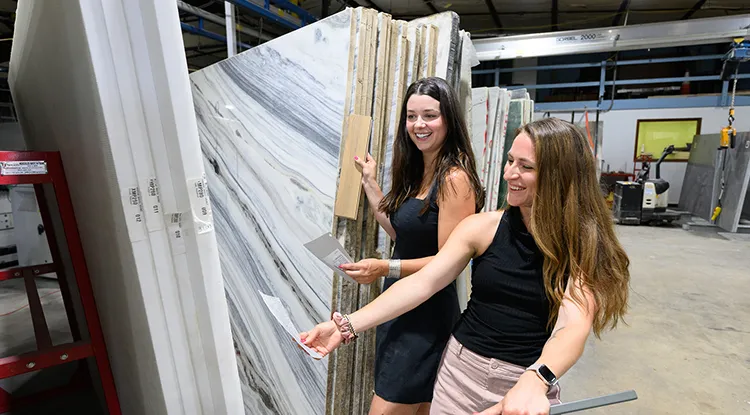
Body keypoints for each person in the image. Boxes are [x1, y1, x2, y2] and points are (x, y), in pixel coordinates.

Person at [301, 117, 631, 415]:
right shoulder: (482, 228)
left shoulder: (582, 245)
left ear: (559, 176)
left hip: (525, 380)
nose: (509, 173)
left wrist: (537, 378)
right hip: (459, 372)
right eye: (510, 160)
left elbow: (573, 326)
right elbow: (423, 283)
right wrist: (346, 325)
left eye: (525, 166)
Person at [337, 76, 485, 415]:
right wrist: (370, 183)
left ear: (448, 118)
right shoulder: (420, 171)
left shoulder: (454, 179)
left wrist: (384, 266)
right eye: (411, 116)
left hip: (426, 315)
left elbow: (449, 263)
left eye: (429, 115)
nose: (419, 124)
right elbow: (402, 233)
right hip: (400, 308)